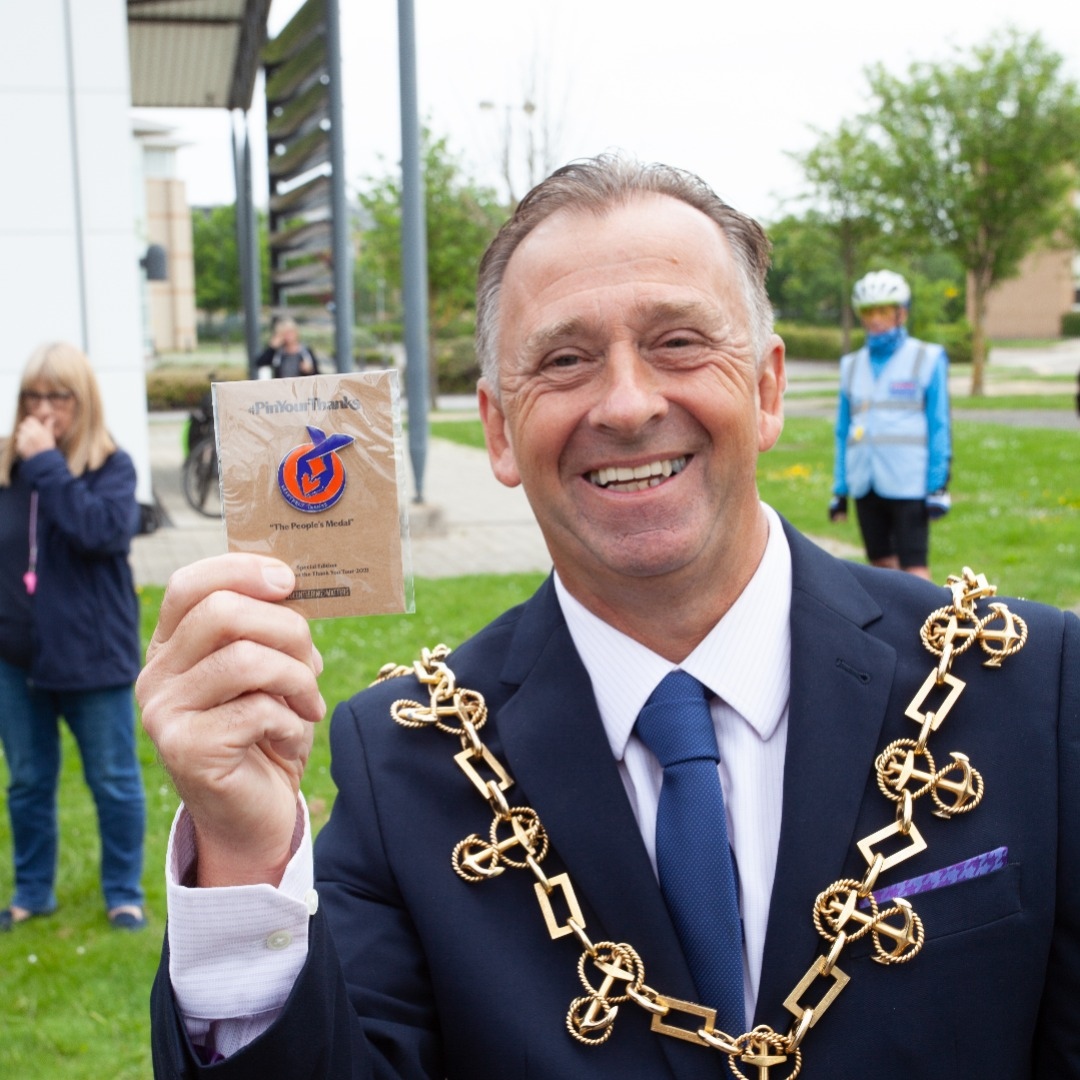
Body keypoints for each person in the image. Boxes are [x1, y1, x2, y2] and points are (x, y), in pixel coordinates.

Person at [139, 157, 1079, 1078]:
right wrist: (246, 855)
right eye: (565, 359)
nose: (627, 404)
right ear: (500, 431)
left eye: (678, 341)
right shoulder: (408, 764)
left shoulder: (1026, 689)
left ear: (766, 388)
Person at [0, 342, 147, 932]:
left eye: (57, 396)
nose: (42, 409)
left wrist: (47, 467)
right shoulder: (9, 467)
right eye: (32, 396)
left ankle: (124, 891)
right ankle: (33, 890)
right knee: (28, 781)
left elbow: (100, 533)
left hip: (92, 657)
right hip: (17, 659)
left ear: (81, 402)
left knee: (113, 781)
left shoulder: (113, 466)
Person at [828, 270, 952, 579]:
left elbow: (939, 424)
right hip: (865, 482)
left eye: (883, 310)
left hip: (908, 483)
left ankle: (926, 628)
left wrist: (938, 485)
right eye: (869, 311)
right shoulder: (850, 365)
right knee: (880, 570)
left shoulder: (927, 357)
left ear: (902, 313)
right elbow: (844, 430)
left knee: (915, 571)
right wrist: (840, 489)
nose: (875, 319)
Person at [254, 317, 319, 378]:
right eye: (285, 333)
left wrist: (309, 370)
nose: (288, 336)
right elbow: (259, 363)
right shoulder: (278, 353)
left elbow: (317, 373)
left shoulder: (305, 351)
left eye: (290, 333)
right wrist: (272, 348)